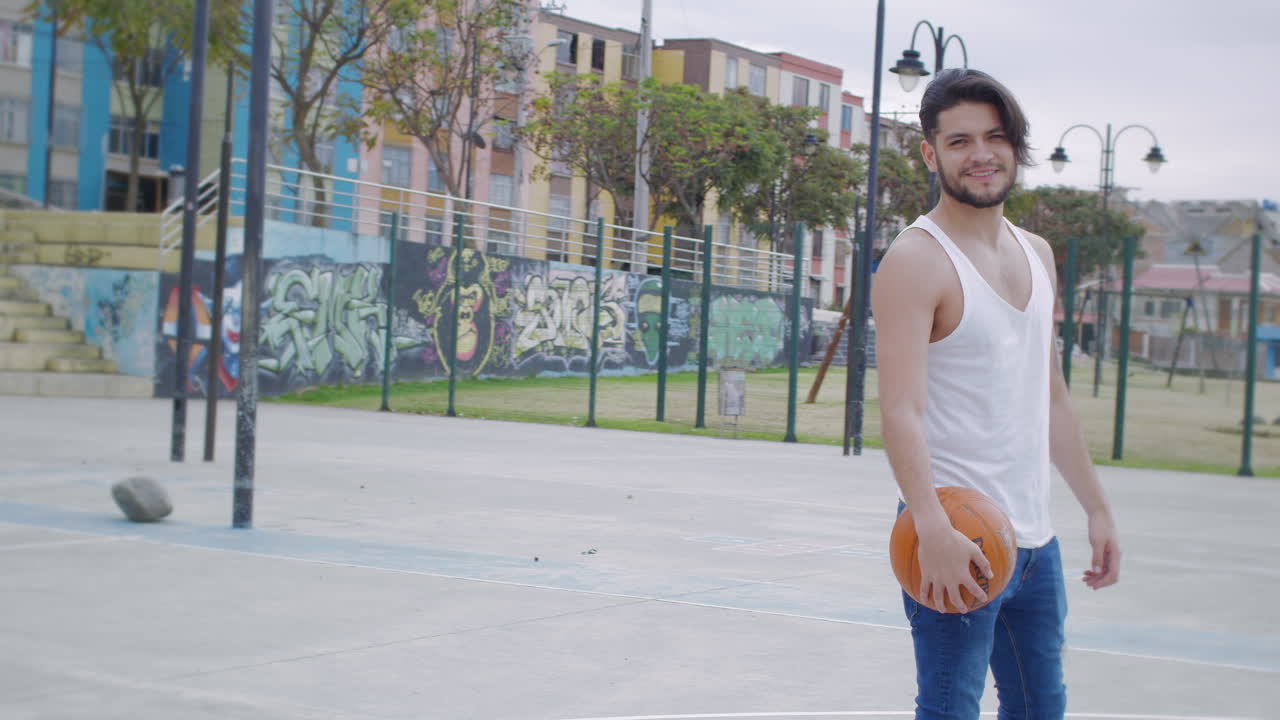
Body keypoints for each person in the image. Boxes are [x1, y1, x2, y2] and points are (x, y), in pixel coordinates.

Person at [870, 68, 1121, 719]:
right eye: (959, 141)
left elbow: (1052, 397)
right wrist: (931, 527)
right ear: (931, 154)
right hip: (955, 533)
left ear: (1015, 145)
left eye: (995, 137)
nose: (980, 154)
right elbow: (899, 410)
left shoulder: (1037, 252)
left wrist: (1096, 509)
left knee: (1041, 708)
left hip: (1035, 541)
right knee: (950, 707)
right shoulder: (916, 260)